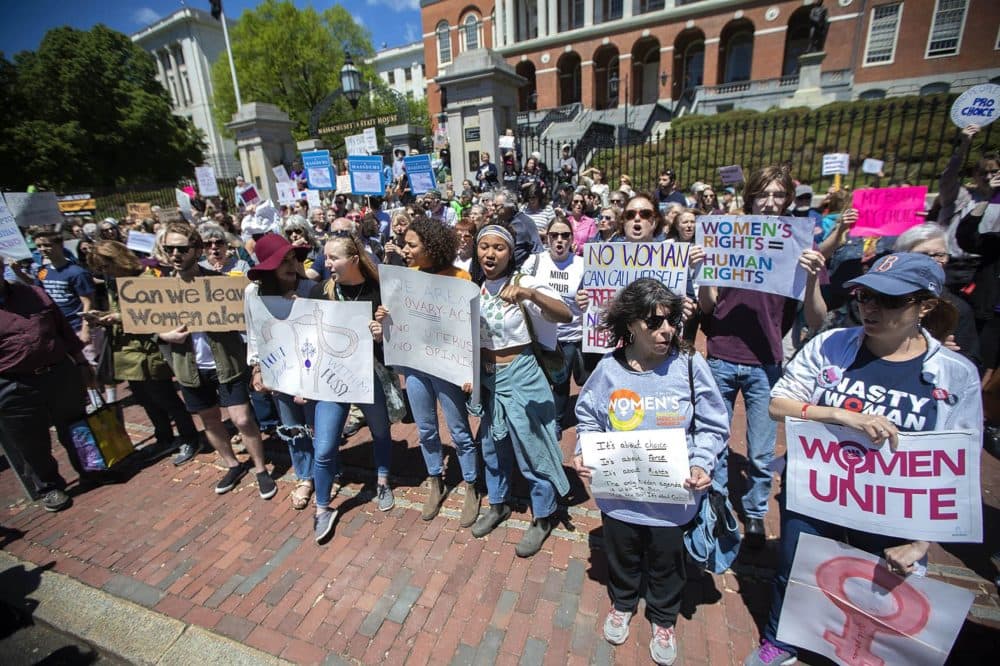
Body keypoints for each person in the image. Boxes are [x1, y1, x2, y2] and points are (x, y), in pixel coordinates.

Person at [743, 252, 981, 666]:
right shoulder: (831, 345)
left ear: (924, 305)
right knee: (797, 570)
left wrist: (921, 542)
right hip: (820, 490)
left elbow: (957, 464)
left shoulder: (954, 374)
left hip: (896, 509)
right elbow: (779, 404)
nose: (871, 308)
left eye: (889, 301)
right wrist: (839, 415)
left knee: (883, 591)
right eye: (866, 296)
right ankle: (781, 638)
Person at [574, 280, 728, 666]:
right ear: (630, 324)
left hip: (672, 500)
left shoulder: (691, 365)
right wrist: (583, 451)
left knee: (666, 563)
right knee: (621, 555)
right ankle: (622, 602)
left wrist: (701, 462)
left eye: (671, 320)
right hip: (619, 497)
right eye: (654, 322)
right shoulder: (608, 369)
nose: (666, 330)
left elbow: (712, 425)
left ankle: (663, 617)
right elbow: (589, 418)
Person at [699, 166, 827, 548]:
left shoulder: (799, 246)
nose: (769, 202)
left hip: (766, 362)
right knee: (715, 440)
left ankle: (754, 513)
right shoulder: (730, 237)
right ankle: (718, 502)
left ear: (788, 199)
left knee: (760, 450)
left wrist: (813, 278)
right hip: (720, 356)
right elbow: (708, 307)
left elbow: (816, 318)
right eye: (762, 195)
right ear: (750, 198)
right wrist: (706, 271)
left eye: (777, 195)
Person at [470, 222, 572, 557]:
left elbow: (565, 314)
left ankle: (543, 516)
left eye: (499, 248)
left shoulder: (523, 282)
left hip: (522, 374)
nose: (490, 253)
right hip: (488, 378)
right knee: (491, 445)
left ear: (511, 253)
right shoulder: (474, 288)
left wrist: (529, 294)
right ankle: (497, 504)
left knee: (532, 447)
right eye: (485, 246)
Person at [157, 221, 276, 499]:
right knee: (209, 419)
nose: (175, 254)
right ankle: (233, 465)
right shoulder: (158, 290)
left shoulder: (222, 283)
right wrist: (165, 335)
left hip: (227, 362)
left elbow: (249, 321)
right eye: (169, 249)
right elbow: (149, 325)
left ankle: (260, 469)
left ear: (196, 250)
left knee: (242, 419)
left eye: (182, 249)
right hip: (189, 367)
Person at [387, 217, 483, 526]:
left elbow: (468, 329)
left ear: (431, 247)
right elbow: (400, 320)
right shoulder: (406, 276)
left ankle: (471, 484)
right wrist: (384, 317)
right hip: (416, 366)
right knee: (426, 429)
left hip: (447, 367)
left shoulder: (459, 276)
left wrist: (469, 371)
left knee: (459, 430)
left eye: (412, 244)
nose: (406, 249)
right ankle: (435, 479)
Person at [85, 241, 202, 466]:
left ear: (117, 260)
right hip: (127, 353)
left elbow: (157, 316)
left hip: (149, 351)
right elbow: (121, 312)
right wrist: (104, 317)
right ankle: (164, 437)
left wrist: (119, 317)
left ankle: (190, 438)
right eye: (100, 270)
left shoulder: (147, 280)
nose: (104, 273)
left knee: (166, 399)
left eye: (106, 267)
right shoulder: (114, 284)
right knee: (146, 400)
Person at [311, 234, 397, 540]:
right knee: (324, 448)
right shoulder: (322, 292)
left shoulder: (379, 290)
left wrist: (382, 333)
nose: (327, 263)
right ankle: (322, 508)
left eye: (334, 257)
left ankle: (383, 479)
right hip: (333, 382)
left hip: (369, 377)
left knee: (381, 432)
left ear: (355, 260)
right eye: (326, 257)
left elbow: (399, 340)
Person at [0, 274, 98, 511]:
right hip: (13, 384)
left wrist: (82, 363)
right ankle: (49, 486)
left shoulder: (33, 293)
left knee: (77, 426)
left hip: (59, 374)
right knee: (30, 441)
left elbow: (64, 330)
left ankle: (92, 470)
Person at [244, 234, 317, 510]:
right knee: (291, 424)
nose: (289, 265)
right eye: (281, 261)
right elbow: (253, 332)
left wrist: (304, 305)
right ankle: (304, 476)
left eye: (291, 258)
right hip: (279, 368)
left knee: (316, 423)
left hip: (311, 368)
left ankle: (326, 470)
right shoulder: (253, 292)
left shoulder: (310, 288)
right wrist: (256, 368)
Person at [521, 215, 587, 439]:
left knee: (561, 382)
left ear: (572, 239)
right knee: (539, 381)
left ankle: (557, 421)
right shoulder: (535, 262)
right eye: (554, 235)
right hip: (540, 336)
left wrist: (585, 299)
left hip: (570, 335)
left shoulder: (582, 264)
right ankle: (540, 416)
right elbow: (519, 286)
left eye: (565, 235)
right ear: (546, 238)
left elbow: (597, 298)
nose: (560, 240)